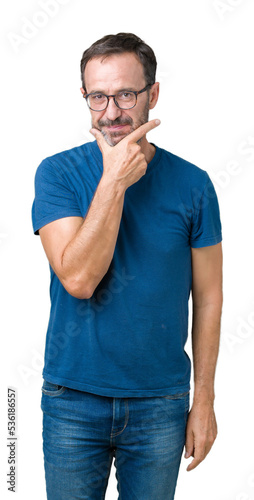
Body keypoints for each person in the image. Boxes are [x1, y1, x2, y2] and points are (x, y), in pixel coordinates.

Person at [32, 32, 223, 500]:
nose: (112, 112)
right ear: (85, 97)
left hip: (161, 404)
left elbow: (210, 297)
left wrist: (204, 400)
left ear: (152, 94)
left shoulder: (194, 184)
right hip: (72, 401)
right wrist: (113, 180)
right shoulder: (56, 173)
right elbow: (78, 278)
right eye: (97, 96)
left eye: (125, 94)